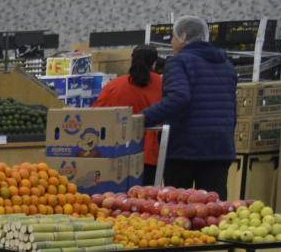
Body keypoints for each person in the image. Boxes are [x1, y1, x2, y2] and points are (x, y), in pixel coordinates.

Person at [139, 16, 238, 195]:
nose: (171, 42)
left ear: (183, 36)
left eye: (173, 36)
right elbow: (232, 108)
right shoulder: (226, 65)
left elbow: (178, 98)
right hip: (220, 148)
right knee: (213, 206)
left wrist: (142, 118)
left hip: (185, 148)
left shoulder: (179, 62)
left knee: (178, 205)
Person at [94, 45, 163, 188]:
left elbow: (97, 114)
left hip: (118, 151)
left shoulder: (114, 85)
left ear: (132, 60)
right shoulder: (164, 84)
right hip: (150, 153)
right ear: (154, 63)